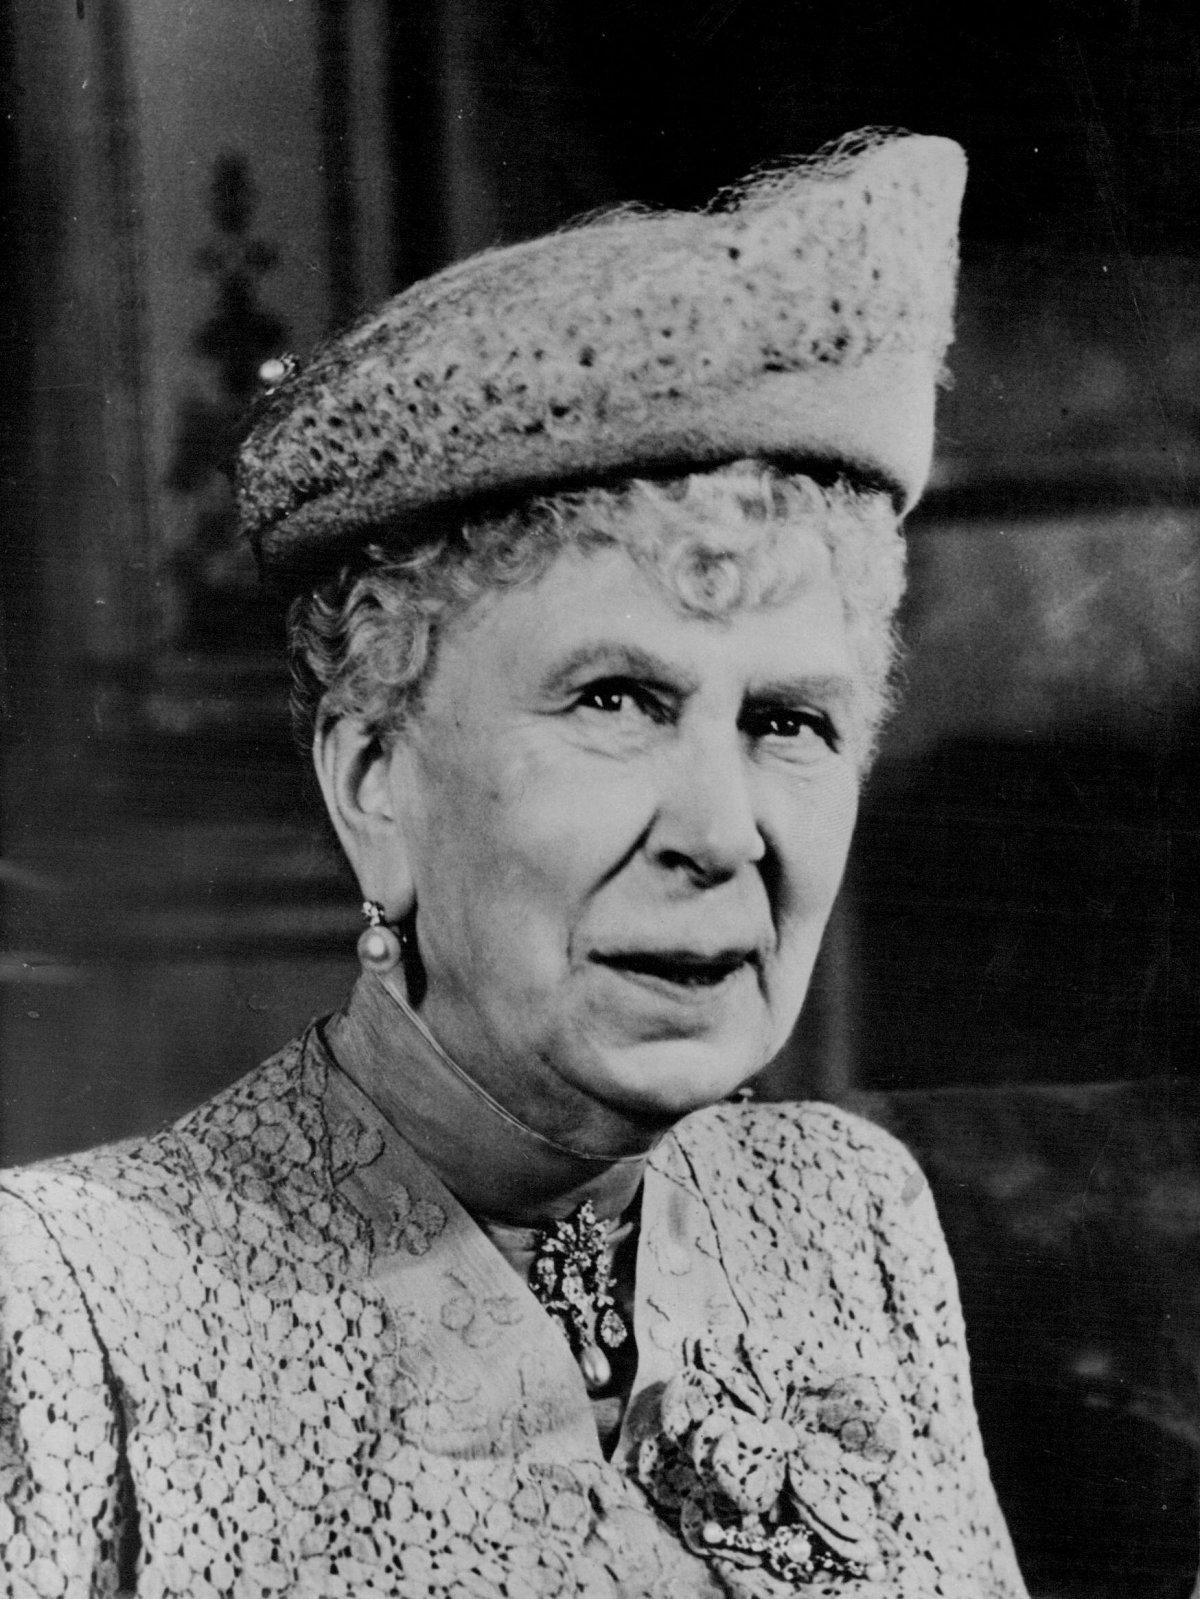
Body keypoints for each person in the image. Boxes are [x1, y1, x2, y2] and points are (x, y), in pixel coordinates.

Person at [0, 130, 1027, 1597]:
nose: (723, 830)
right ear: (375, 780)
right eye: (618, 701)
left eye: (790, 722)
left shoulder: (849, 1215)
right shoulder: (67, 1303)